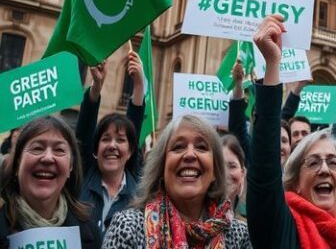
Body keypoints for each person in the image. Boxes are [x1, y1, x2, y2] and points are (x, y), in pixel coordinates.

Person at [247, 15, 336, 248]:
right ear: (294, 182)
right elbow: (264, 169)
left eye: (333, 162)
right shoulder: (281, 226)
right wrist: (273, 64)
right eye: (313, 163)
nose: (324, 168)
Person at [102, 114, 250, 248]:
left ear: (215, 172)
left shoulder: (239, 236)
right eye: (178, 147)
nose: (190, 154)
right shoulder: (129, 227)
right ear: (162, 167)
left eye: (201, 147)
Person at [0, 116, 101, 248]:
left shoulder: (90, 233)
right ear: (18, 163)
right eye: (37, 148)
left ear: (70, 167)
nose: (48, 158)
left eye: (59, 150)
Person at [76, 54, 145, 234]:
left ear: (130, 151)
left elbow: (135, 124)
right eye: (105, 139)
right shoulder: (83, 177)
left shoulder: (139, 192)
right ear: (96, 149)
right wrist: (96, 87)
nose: (112, 145)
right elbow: (84, 129)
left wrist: (138, 85)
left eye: (121, 140)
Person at [222, 134, 247, 218]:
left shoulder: (251, 221)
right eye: (220, 166)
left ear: (242, 172)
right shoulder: (198, 220)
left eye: (232, 166)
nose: (226, 173)